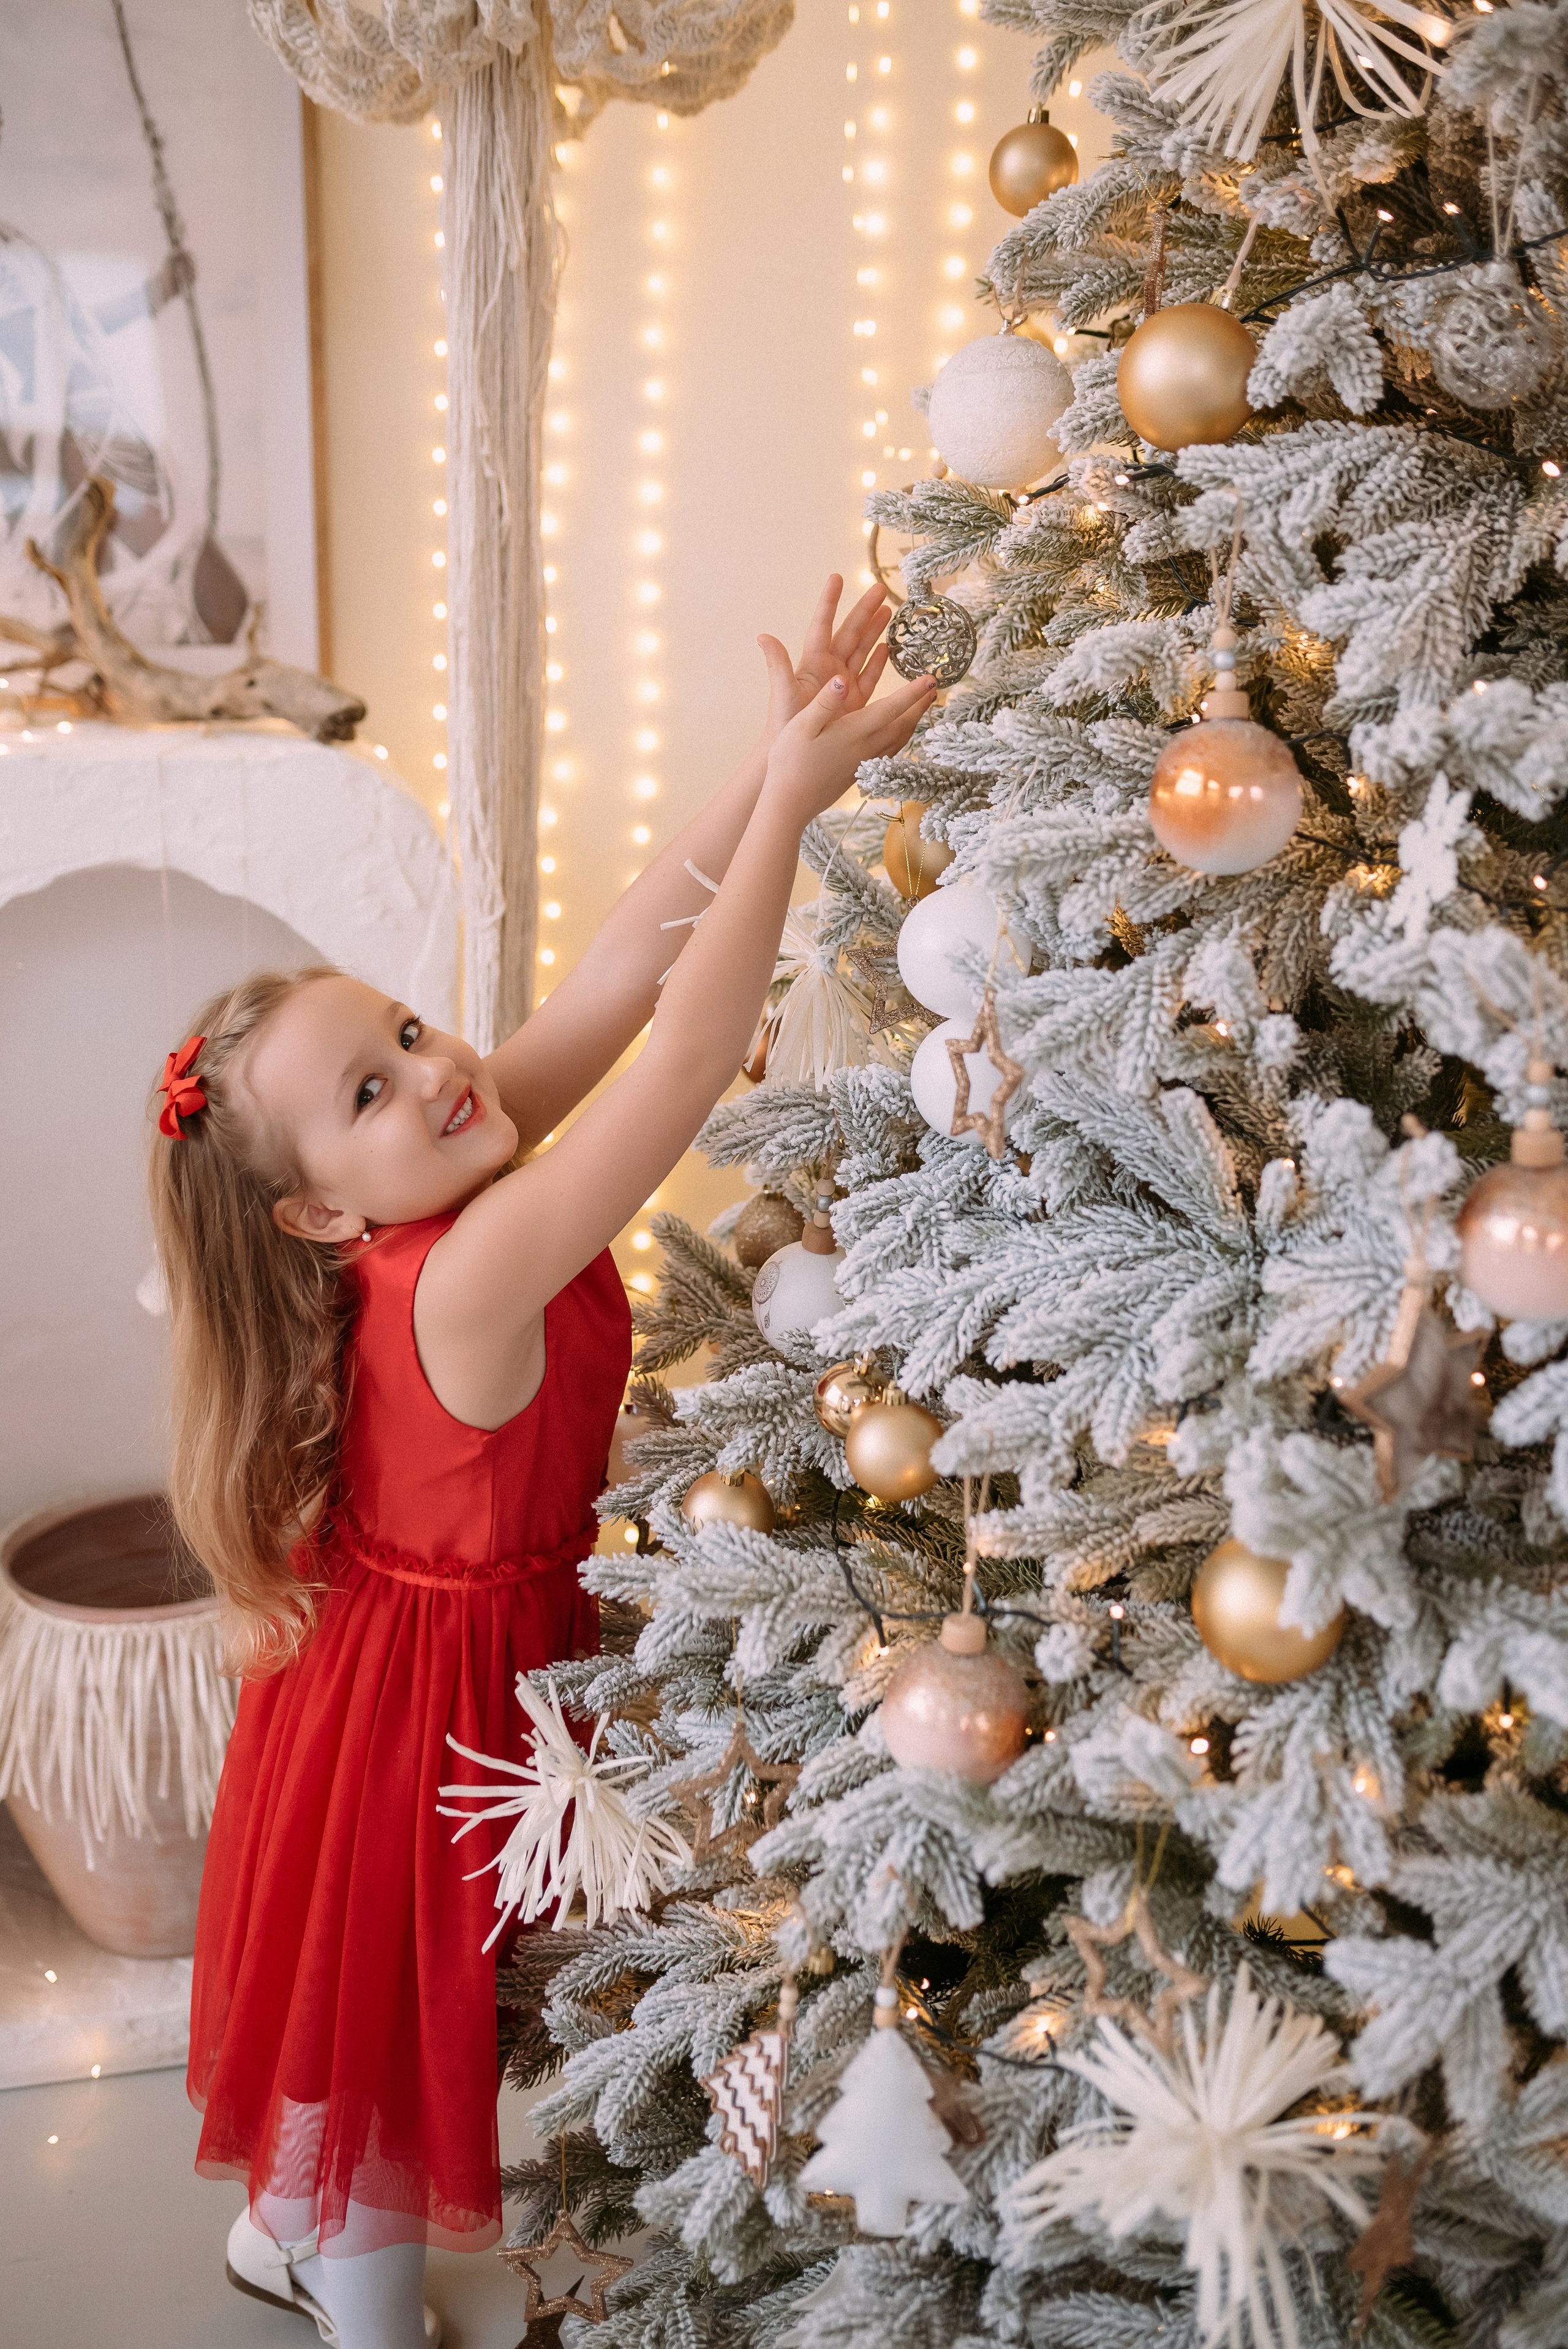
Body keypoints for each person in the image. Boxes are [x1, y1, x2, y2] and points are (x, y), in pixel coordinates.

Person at [146, 578, 933, 2349]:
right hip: (419, 1711)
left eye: (404, 1029)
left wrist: (767, 764)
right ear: (318, 1212)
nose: (431, 1069)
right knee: (386, 2029)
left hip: (425, 1656)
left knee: (363, 2011)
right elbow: (682, 1055)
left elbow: (621, 965)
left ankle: (285, 2224)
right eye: (367, 1090)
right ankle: (347, 2292)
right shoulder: (471, 1266)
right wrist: (794, 809)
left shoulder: (444, 1170)